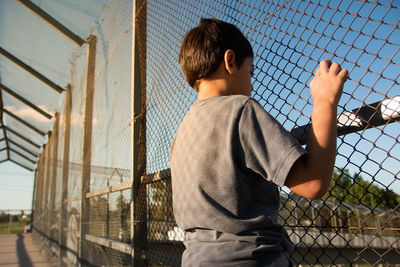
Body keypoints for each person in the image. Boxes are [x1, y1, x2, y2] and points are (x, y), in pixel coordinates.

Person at [169, 18, 348, 266]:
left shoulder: (182, 132)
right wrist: (325, 101)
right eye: (250, 71)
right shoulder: (240, 110)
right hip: (250, 259)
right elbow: (313, 182)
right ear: (230, 62)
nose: (251, 85)